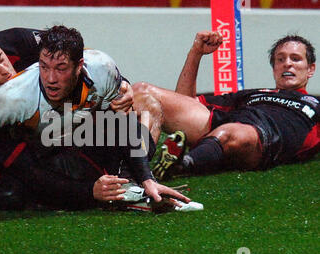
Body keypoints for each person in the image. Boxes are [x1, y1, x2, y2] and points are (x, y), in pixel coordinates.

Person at [0, 25, 192, 221]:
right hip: (5, 130)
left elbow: (122, 122)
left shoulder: (99, 65)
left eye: (2, 59)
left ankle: (134, 178)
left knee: (140, 111)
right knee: (19, 189)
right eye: (44, 67)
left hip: (60, 121)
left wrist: (145, 178)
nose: (51, 78)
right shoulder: (9, 98)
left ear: (79, 65)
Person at [0, 94, 192, 222]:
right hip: (57, 171)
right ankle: (144, 177)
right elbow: (11, 193)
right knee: (132, 128)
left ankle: (147, 172)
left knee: (144, 106)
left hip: (53, 150)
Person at [132, 31, 319, 180]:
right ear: (274, 67)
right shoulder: (253, 94)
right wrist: (196, 53)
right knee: (142, 92)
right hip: (228, 123)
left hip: (264, 139)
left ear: (310, 69)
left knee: (230, 131)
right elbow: (185, 103)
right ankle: (133, 170)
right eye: (280, 59)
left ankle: (180, 166)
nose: (287, 64)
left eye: (295, 59)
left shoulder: (316, 104)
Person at [0, 27, 133, 127]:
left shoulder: (19, 40)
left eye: (2, 59)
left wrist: (123, 84)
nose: (5, 70)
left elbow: (72, 52)